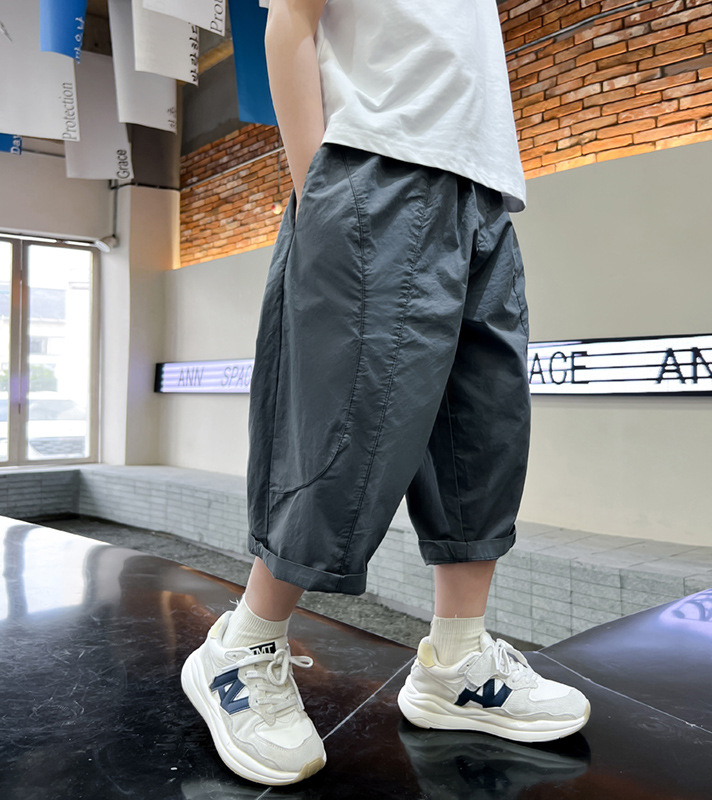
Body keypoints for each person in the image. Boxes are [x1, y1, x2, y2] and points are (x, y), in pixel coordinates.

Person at [181, 0, 590, 786]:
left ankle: (456, 661)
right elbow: (290, 21)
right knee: (347, 427)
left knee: (484, 435)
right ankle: (243, 644)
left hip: (485, 189)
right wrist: (319, 193)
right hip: (375, 166)